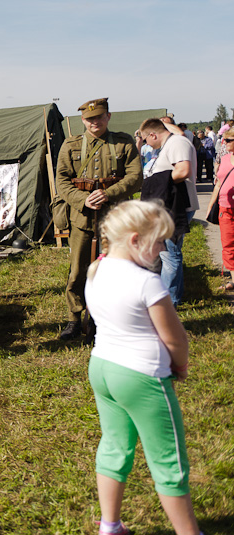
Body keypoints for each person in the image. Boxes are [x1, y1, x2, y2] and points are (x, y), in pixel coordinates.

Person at [85, 200, 201, 535]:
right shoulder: (147, 282)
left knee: (114, 445)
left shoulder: (98, 268)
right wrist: (180, 366)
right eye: (160, 240)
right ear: (135, 240)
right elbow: (176, 339)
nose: (164, 247)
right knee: (169, 459)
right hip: (142, 377)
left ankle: (110, 525)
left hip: (103, 369)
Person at [56, 98, 142, 341]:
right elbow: (61, 181)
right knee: (78, 271)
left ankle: (103, 318)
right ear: (83, 120)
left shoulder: (124, 143)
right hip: (82, 218)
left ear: (108, 117)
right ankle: (75, 318)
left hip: (114, 219)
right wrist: (82, 199)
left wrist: (107, 193)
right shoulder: (70, 145)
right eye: (90, 119)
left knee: (112, 271)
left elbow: (136, 177)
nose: (95, 122)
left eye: (99, 117)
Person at [140, 119, 198, 307]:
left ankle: (169, 301)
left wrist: (155, 181)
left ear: (153, 135)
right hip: (170, 205)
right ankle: (170, 296)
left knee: (169, 254)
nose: (147, 144)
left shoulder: (177, 143)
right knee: (167, 253)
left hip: (176, 206)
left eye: (146, 140)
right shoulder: (170, 144)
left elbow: (183, 170)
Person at [206, 131, 234, 291]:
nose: (224, 142)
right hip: (225, 207)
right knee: (228, 244)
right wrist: (211, 206)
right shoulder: (223, 159)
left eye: (228, 140)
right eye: (224, 139)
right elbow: (219, 183)